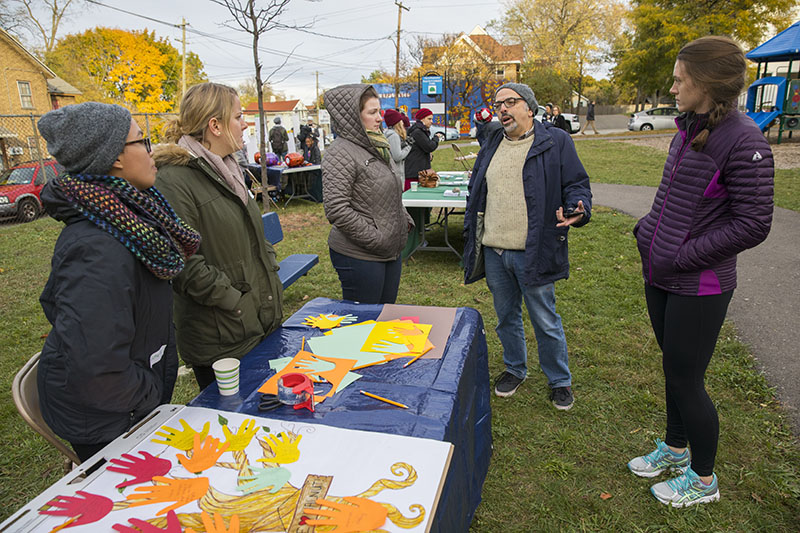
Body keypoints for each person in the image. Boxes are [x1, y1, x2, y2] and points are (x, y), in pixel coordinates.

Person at [628, 36, 773, 507]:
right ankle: (674, 449)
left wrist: (682, 255)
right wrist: (648, 232)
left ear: (705, 83)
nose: (671, 86)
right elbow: (672, 197)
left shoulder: (745, 139)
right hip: (662, 273)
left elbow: (753, 224)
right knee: (674, 371)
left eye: (679, 78)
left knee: (688, 380)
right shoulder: (687, 128)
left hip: (700, 284)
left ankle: (703, 479)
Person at [35, 102, 201, 462]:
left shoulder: (130, 218)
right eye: (142, 141)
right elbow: (99, 369)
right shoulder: (96, 248)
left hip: (127, 401)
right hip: (107, 417)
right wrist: (149, 399)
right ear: (113, 158)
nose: (151, 150)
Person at [463, 82, 591, 410]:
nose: (502, 108)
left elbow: (577, 182)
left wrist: (578, 205)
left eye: (510, 102)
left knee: (544, 319)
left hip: (535, 248)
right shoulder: (492, 141)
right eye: (498, 104)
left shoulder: (555, 141)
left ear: (530, 108)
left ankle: (559, 380)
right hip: (494, 249)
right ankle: (515, 369)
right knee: (506, 317)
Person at [154, 82, 283, 391]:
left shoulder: (228, 169)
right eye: (238, 117)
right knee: (235, 422)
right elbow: (184, 264)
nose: (245, 123)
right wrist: (235, 301)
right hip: (222, 333)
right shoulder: (173, 179)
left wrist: (269, 269)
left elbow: (250, 235)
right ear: (215, 126)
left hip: (254, 319)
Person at [322, 84, 413, 304]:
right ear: (353, 117)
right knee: (363, 325)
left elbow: (388, 190)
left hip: (389, 250)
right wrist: (377, 238)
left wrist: (404, 220)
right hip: (359, 255)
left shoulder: (376, 145)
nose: (379, 118)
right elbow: (336, 208)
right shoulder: (340, 152)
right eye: (372, 112)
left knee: (383, 318)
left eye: (379, 111)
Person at [404, 108, 441, 191]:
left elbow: (422, 148)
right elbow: (429, 146)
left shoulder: (420, 130)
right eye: (429, 119)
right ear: (422, 119)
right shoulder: (418, 132)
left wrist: (428, 155)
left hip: (418, 170)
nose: (431, 121)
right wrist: (436, 138)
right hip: (414, 172)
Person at [383, 108, 412, 182]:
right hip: (397, 174)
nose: (402, 122)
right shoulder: (394, 136)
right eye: (401, 120)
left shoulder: (388, 134)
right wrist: (408, 146)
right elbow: (397, 156)